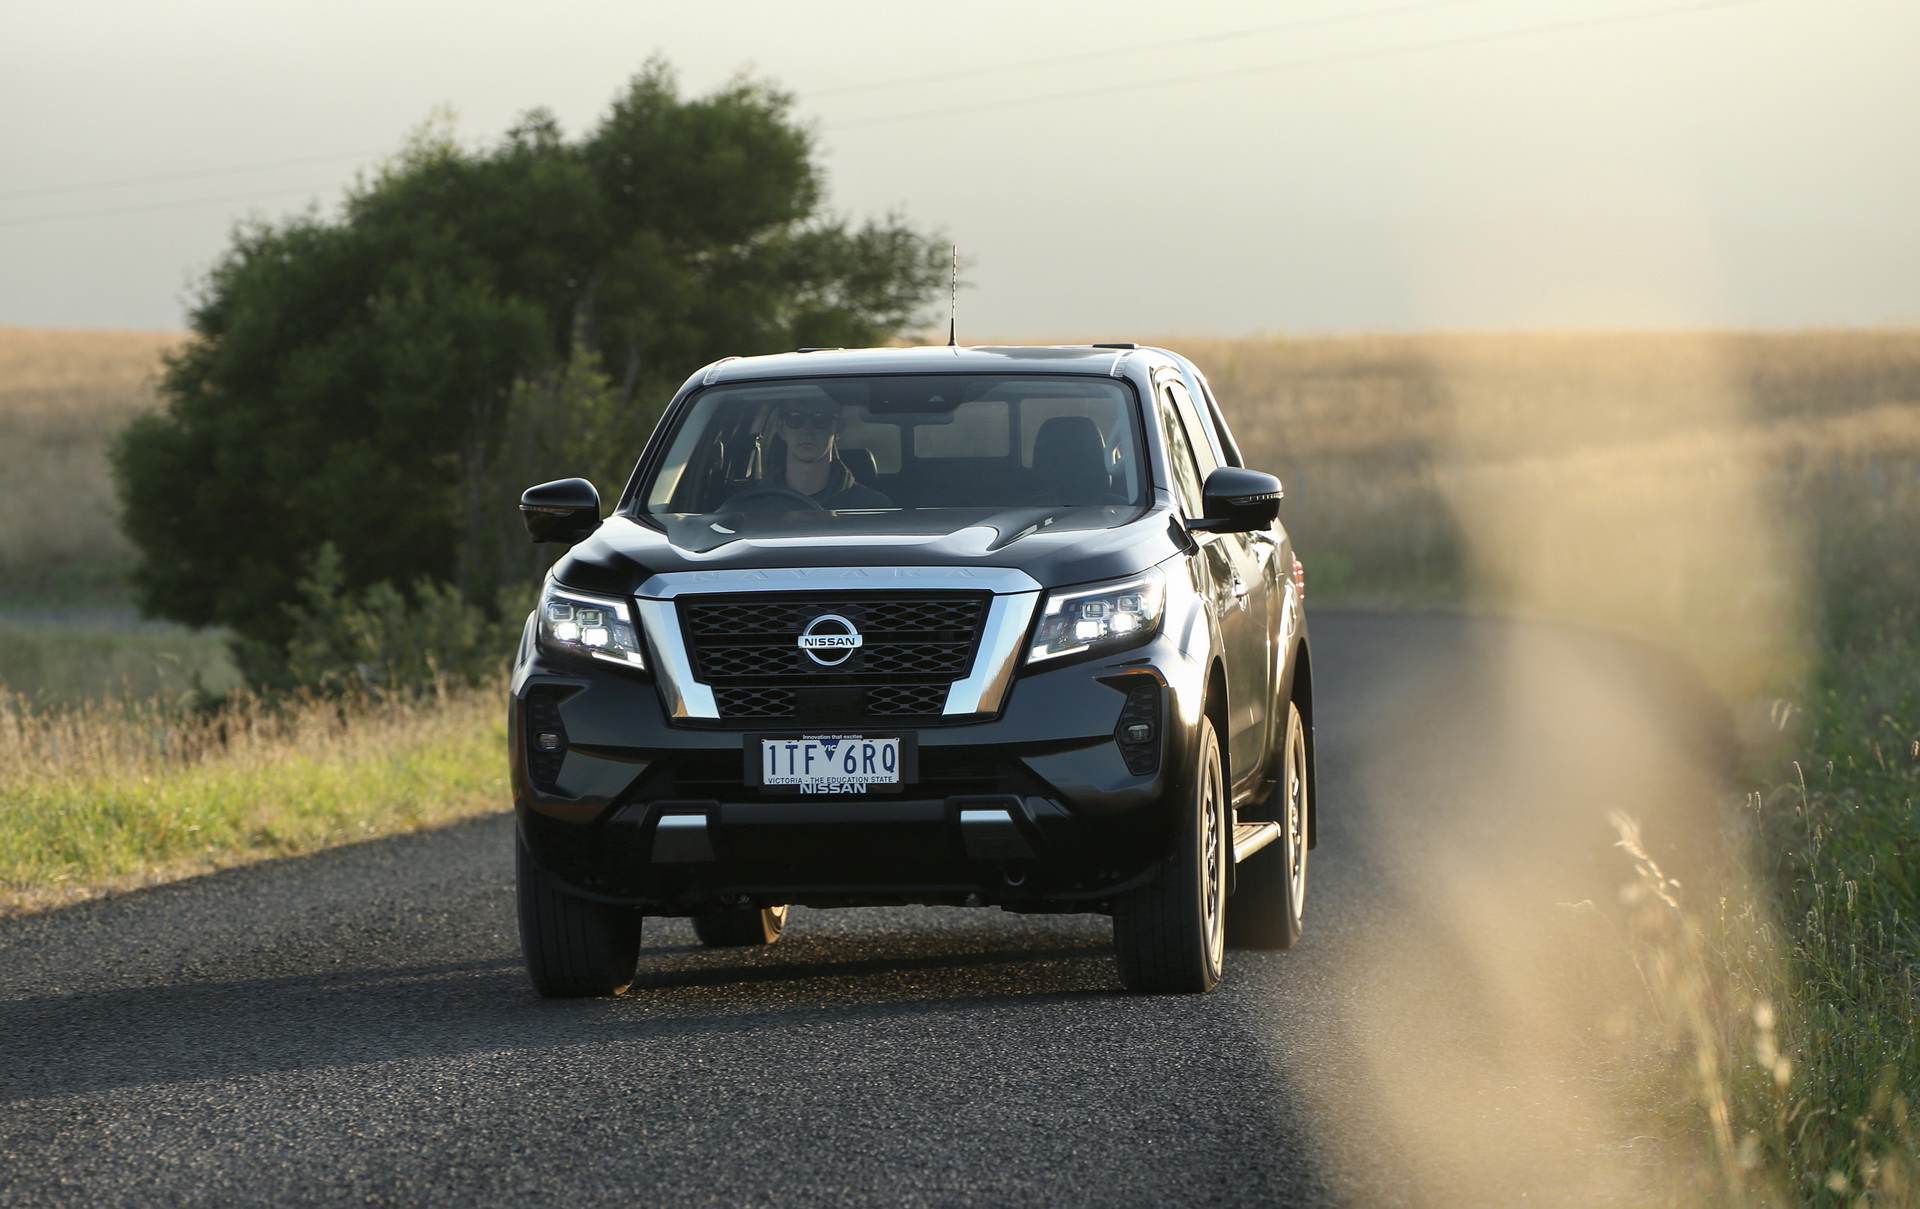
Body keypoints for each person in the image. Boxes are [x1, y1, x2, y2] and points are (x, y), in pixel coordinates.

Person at [770, 406, 892, 509]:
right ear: (781, 427)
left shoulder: (871, 507)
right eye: (795, 418)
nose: (807, 430)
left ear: (838, 429)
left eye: (820, 419)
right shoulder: (758, 503)